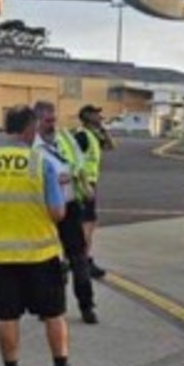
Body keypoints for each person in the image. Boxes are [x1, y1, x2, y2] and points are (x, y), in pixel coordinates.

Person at [0, 105, 89, 366]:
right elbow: (58, 213)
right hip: (40, 254)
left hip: (0, 258)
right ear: (29, 130)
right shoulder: (39, 164)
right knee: (54, 315)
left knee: (7, 317)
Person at [32, 100, 98, 324]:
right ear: (37, 121)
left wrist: (74, 176)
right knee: (47, 261)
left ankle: (87, 305)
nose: (53, 125)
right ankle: (49, 307)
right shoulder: (31, 146)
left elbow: (80, 162)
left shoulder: (66, 138)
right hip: (45, 209)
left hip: (69, 206)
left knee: (78, 258)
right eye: (48, 121)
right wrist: (48, 180)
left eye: (54, 120)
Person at [73, 104, 115, 279]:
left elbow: (111, 146)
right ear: (88, 117)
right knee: (86, 224)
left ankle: (79, 259)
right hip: (85, 185)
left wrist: (104, 131)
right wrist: (83, 184)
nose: (100, 116)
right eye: (97, 114)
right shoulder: (82, 136)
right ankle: (83, 260)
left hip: (90, 183)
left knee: (89, 224)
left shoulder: (93, 135)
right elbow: (73, 161)